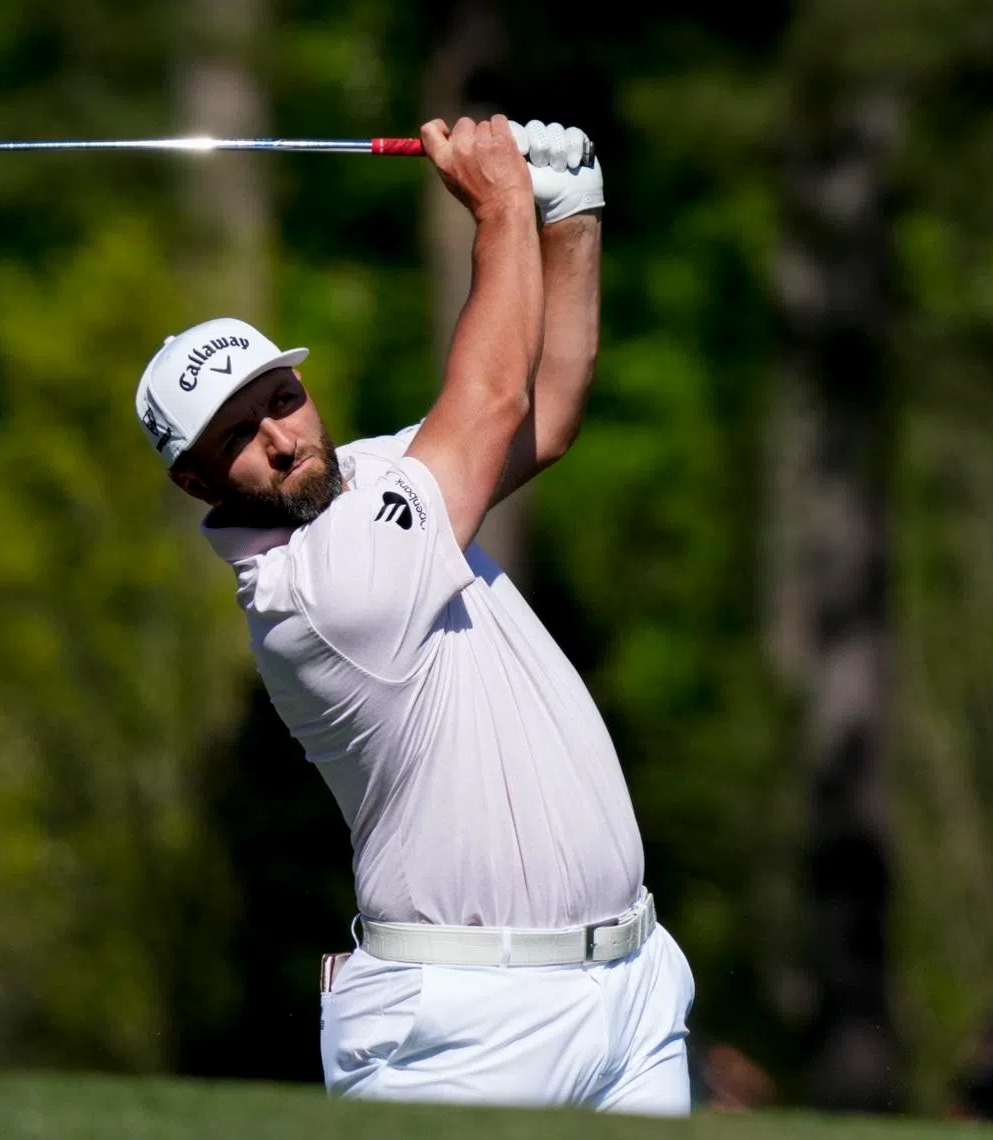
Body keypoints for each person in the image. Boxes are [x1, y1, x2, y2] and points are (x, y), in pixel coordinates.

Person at [134, 114, 694, 1114]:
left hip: (632, 982)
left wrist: (571, 212)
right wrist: (501, 203)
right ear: (193, 480)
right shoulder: (317, 594)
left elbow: (546, 410)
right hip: (462, 1018)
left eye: (282, 396)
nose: (281, 436)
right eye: (236, 433)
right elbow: (485, 404)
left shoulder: (377, 476)